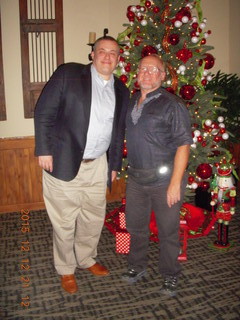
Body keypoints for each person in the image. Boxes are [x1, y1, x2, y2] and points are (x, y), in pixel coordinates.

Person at [34, 36, 129, 294]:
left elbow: (118, 131)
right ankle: (66, 269)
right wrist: (43, 149)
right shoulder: (69, 75)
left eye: (113, 53)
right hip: (63, 161)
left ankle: (86, 259)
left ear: (119, 59)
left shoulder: (121, 89)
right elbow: (44, 112)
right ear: (93, 55)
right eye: (102, 51)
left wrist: (113, 164)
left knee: (93, 218)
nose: (107, 57)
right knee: (64, 221)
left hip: (98, 164)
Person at [122, 54, 192, 297]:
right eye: (143, 68)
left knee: (167, 231)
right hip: (136, 180)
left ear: (163, 75)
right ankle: (137, 266)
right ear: (137, 73)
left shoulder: (173, 104)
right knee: (135, 227)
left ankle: (170, 275)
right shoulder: (131, 101)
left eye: (154, 69)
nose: (147, 72)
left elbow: (184, 145)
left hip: (165, 181)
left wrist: (175, 184)